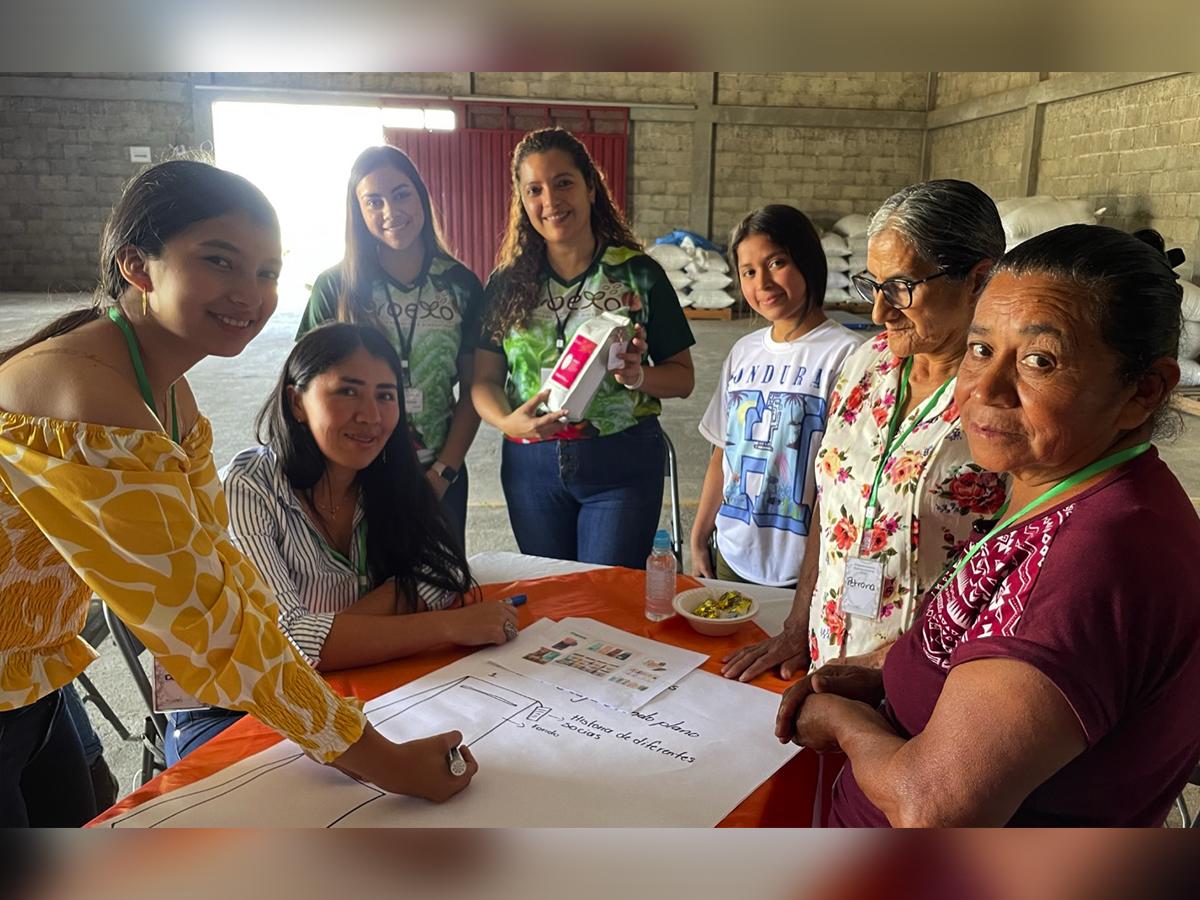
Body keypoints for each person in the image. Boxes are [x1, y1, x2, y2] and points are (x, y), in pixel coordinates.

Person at [0, 160, 477, 828]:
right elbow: (207, 625)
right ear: (138, 266)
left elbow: (224, 570)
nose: (250, 294)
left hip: (30, 683)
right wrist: (383, 762)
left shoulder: (168, 394)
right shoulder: (89, 393)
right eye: (219, 261)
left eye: (267, 272)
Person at [776, 225, 1200, 827]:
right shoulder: (1072, 493)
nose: (986, 390)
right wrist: (890, 669)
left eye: (1039, 361)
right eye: (979, 350)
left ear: (1143, 391)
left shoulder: (1097, 556)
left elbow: (933, 809)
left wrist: (845, 724)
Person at [166, 323, 517, 763]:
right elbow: (288, 645)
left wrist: (330, 637)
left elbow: (439, 573)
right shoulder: (247, 486)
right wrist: (447, 627)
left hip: (348, 680)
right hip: (232, 708)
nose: (370, 415)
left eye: (385, 395)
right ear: (297, 402)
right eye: (347, 392)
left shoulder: (387, 476)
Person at [722, 180, 1008, 682]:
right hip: (828, 654)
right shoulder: (867, 364)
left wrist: (885, 670)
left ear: (977, 280)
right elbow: (831, 504)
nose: (879, 312)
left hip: (928, 679)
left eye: (901, 288)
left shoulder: (1005, 396)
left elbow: (1013, 572)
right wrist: (798, 624)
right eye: (873, 286)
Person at [472, 128, 696, 568]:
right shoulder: (506, 283)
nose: (550, 200)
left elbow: (683, 378)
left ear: (590, 187)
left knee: (604, 595)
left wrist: (638, 375)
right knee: (550, 594)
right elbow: (483, 379)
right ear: (522, 200)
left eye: (563, 183)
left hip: (620, 461)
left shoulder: (638, 274)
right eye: (534, 190)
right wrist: (507, 421)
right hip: (530, 466)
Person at [298, 146, 482, 548]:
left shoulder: (460, 284)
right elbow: (303, 387)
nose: (390, 211)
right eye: (373, 201)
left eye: (401, 194)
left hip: (439, 473)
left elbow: (474, 390)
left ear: (421, 197)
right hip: (357, 476)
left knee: (441, 581)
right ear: (358, 211)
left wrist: (443, 474)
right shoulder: (336, 286)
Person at [691, 205, 862, 586]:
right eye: (749, 272)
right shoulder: (743, 352)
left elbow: (848, 479)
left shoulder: (847, 355)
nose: (763, 283)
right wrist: (700, 535)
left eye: (776, 263)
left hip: (805, 568)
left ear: (807, 259)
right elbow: (723, 452)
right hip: (733, 555)